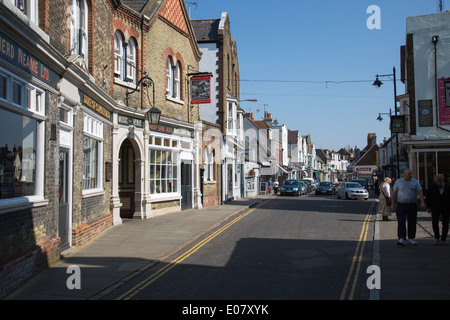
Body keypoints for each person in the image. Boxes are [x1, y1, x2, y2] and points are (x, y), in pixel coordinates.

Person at [391, 168, 425, 246]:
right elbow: (394, 193)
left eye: (411, 174)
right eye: (409, 174)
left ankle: (412, 238)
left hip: (412, 204)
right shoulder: (399, 182)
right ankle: (401, 238)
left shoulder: (415, 182)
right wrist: (393, 204)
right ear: (404, 174)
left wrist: (422, 202)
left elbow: (420, 192)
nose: (410, 175)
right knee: (401, 221)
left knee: (412, 221)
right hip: (401, 204)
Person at [425, 174, 450, 245]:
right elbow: (428, 197)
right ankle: (437, 237)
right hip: (435, 207)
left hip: (446, 207)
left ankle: (443, 238)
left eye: (440, 181)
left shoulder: (447, 187)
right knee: (435, 222)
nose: (439, 183)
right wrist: (428, 207)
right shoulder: (432, 187)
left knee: (445, 223)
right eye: (438, 181)